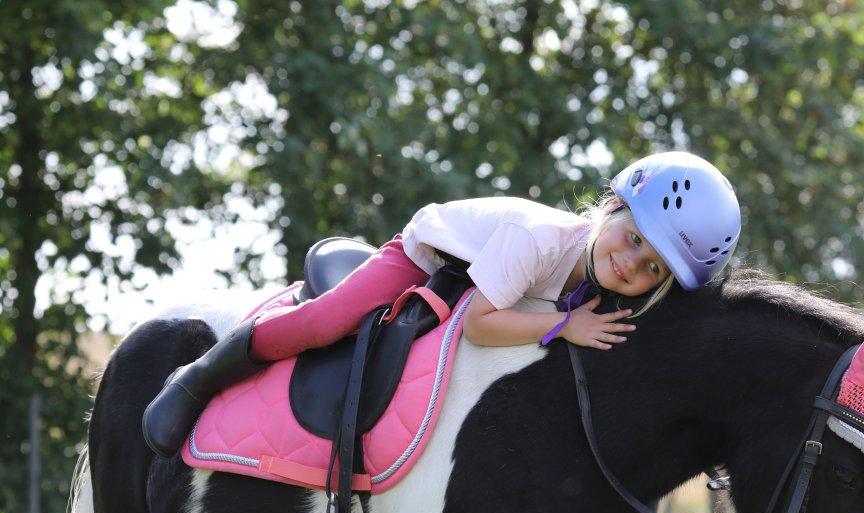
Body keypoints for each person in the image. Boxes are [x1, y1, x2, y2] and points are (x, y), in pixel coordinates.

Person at [142, 151, 741, 456]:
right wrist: (563, 325)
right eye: (634, 238)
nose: (632, 264)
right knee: (328, 321)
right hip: (431, 258)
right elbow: (478, 325)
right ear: (612, 208)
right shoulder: (539, 240)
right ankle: (201, 375)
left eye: (653, 268)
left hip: (495, 287)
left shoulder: (600, 288)